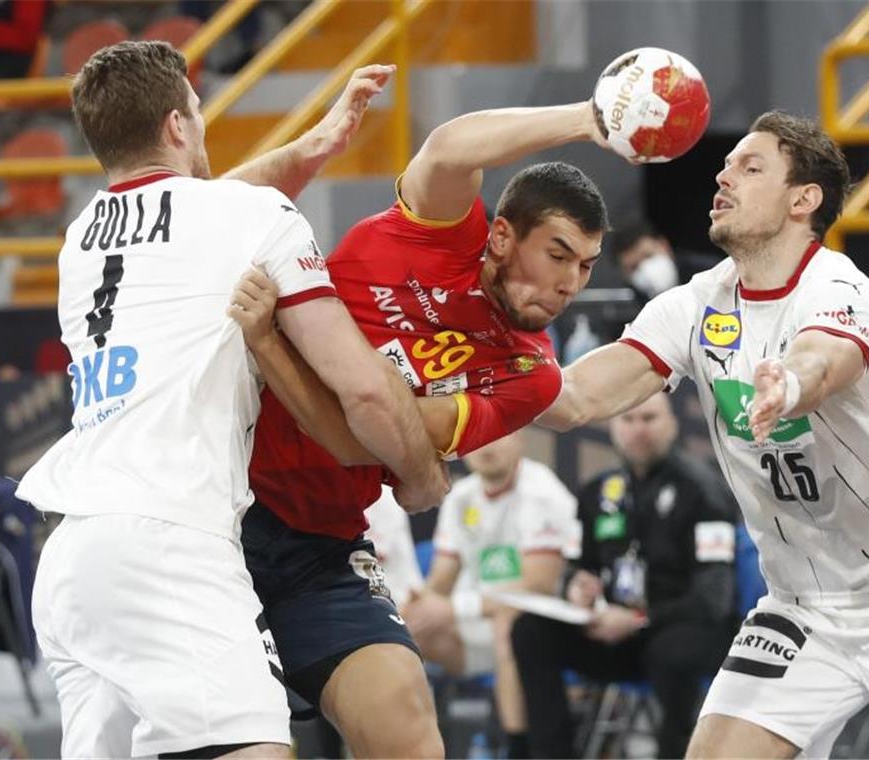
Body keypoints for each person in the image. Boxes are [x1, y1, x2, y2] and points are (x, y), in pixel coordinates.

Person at [15, 42, 446, 759]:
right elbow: (365, 387)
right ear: (179, 125)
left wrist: (307, 151)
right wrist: (422, 472)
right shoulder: (243, 216)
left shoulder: (78, 242)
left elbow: (195, 209)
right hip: (169, 538)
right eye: (198, 111)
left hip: (71, 559)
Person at [539, 110, 869, 758]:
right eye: (726, 168)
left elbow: (821, 358)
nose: (723, 178)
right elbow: (579, 395)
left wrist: (789, 383)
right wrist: (475, 382)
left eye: (750, 167)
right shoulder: (691, 305)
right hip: (803, 605)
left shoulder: (843, 290)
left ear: (803, 199)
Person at [227, 96, 616, 757]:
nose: (568, 284)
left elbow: (361, 436)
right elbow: (449, 147)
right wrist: (588, 119)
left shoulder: (531, 372)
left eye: (585, 267)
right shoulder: (436, 231)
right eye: (557, 254)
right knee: (247, 742)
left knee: (410, 730)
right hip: (222, 511)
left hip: (320, 542)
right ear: (500, 238)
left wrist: (270, 343)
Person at [513, 392, 738, 758]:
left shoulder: (702, 490)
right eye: (628, 419)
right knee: (529, 631)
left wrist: (640, 620)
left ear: (672, 423)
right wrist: (576, 588)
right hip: (616, 633)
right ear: (614, 426)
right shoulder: (599, 491)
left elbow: (713, 598)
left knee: (672, 652)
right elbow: (575, 566)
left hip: (683, 631)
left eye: (649, 419)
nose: (638, 430)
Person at [401, 432, 579, 760]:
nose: (486, 447)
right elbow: (442, 578)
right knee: (400, 632)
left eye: (498, 436)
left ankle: (517, 748)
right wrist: (418, 606)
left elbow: (536, 585)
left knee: (509, 625)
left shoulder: (542, 491)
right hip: (475, 624)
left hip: (542, 628)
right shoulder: (461, 497)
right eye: (478, 439)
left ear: (520, 440)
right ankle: (406, 747)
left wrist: (454, 607)